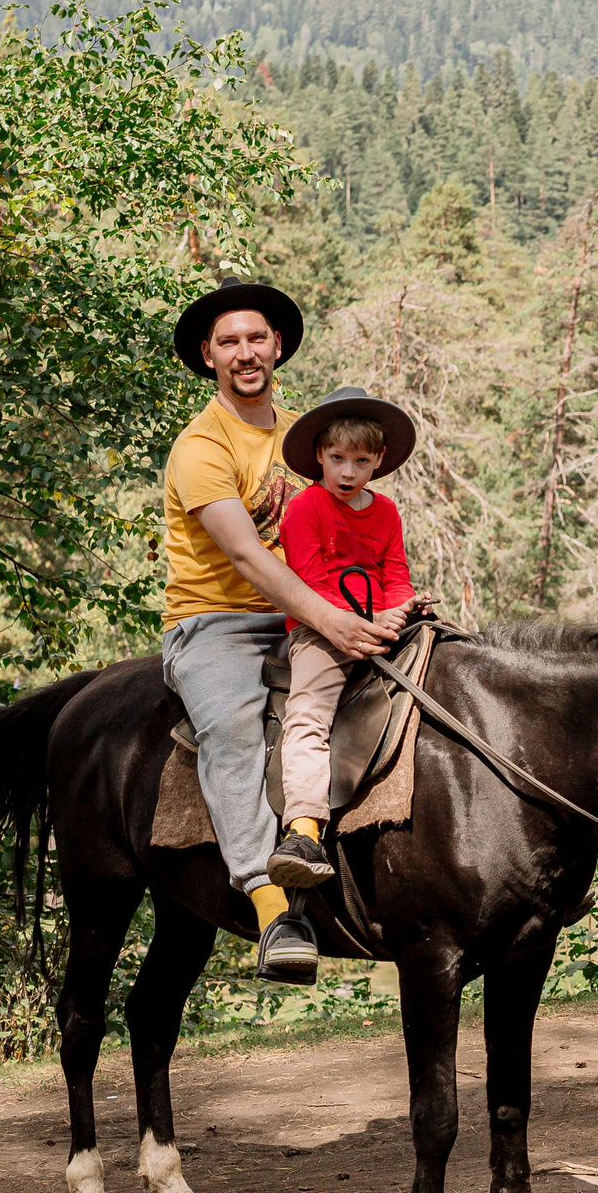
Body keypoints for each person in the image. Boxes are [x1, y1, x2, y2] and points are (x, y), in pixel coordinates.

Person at [159, 283, 397, 985]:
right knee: (235, 733)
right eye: (229, 342)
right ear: (209, 356)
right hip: (219, 623)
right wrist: (329, 618)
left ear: (278, 346)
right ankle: (273, 912)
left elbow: (355, 524)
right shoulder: (201, 447)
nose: (245, 353)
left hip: (315, 611)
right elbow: (246, 556)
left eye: (256, 338)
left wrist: (387, 605)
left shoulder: (307, 438)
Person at [267, 386, 421, 897]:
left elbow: (395, 574)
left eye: (360, 461)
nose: (348, 472)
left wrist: (403, 609)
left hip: (382, 624)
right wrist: (364, 620)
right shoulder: (305, 509)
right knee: (308, 714)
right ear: (320, 455)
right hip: (321, 628)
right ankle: (303, 829)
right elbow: (309, 584)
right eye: (337, 459)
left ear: (378, 460)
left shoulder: (386, 512)